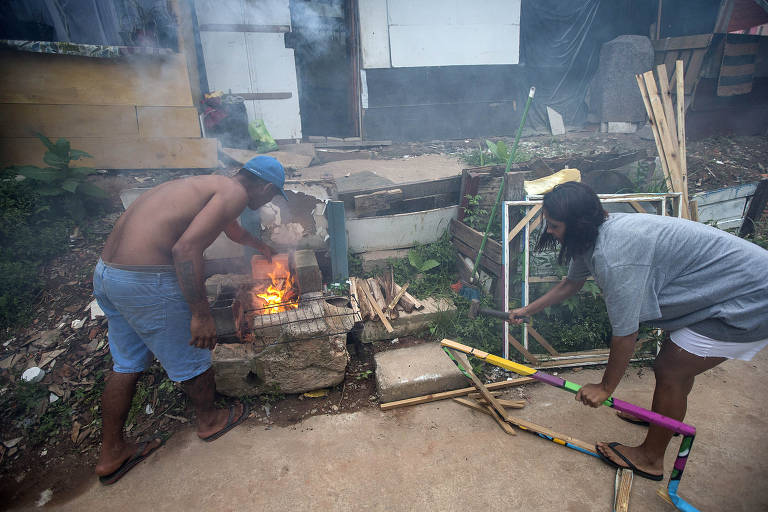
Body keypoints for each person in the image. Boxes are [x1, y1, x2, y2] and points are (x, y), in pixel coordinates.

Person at [509, 181, 768, 481]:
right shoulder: (592, 235)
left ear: (577, 224)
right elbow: (571, 283)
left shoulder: (614, 256)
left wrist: (605, 388)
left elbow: (625, 334)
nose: (549, 231)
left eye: (554, 225)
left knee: (672, 368)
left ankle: (650, 458)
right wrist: (527, 311)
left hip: (752, 298)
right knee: (677, 359)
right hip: (729, 286)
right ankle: (662, 420)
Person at [92, 156, 287, 484]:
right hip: (146, 280)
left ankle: (111, 453)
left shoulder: (211, 184)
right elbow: (185, 250)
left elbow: (232, 229)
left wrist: (259, 245)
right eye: (272, 196)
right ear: (266, 187)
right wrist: (200, 314)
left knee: (126, 364)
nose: (268, 201)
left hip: (109, 276)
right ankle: (210, 420)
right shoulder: (235, 194)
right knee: (194, 353)